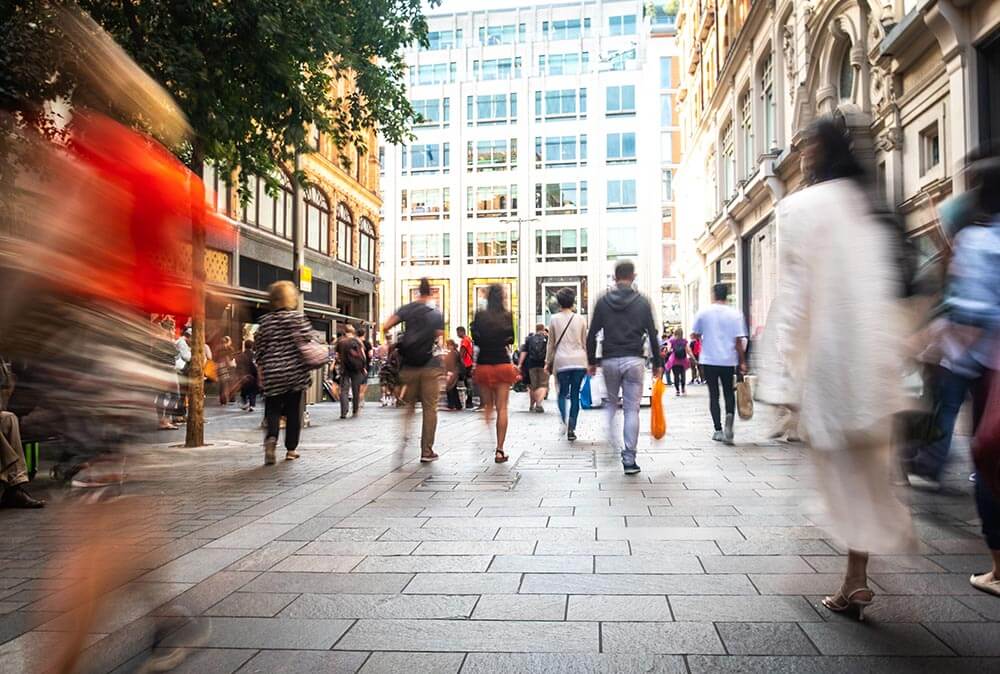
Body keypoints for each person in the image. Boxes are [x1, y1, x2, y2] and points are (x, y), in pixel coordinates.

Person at [757, 117, 917, 619]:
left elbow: (795, 296)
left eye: (805, 148)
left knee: (840, 473)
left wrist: (782, 373)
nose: (800, 156)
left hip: (831, 362)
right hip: (879, 362)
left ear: (816, 153)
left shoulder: (800, 208)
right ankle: (857, 574)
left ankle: (858, 569)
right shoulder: (869, 204)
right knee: (867, 468)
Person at [586, 260, 663, 474]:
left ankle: (612, 443)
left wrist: (592, 361)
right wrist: (658, 363)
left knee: (611, 404)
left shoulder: (603, 302)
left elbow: (591, 334)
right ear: (634, 276)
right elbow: (653, 335)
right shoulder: (643, 302)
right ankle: (629, 458)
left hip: (609, 359)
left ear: (615, 276)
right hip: (634, 360)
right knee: (632, 409)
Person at [382, 278, 445, 462]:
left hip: (408, 366)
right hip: (429, 367)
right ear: (431, 293)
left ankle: (404, 439)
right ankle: (426, 450)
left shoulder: (407, 309)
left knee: (408, 407)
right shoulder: (435, 314)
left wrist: (389, 343)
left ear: (418, 291)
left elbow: (386, 325)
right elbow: (439, 341)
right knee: (430, 408)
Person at [255, 281, 315, 465]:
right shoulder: (297, 318)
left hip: (273, 371)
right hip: (295, 372)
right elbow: (308, 339)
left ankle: (271, 439)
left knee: (272, 408)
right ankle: (291, 449)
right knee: (293, 410)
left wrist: (262, 368)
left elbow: (259, 348)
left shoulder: (265, 322)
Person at [692, 284, 748, 444]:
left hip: (709, 360)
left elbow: (695, 333)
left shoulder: (704, 313)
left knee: (714, 395)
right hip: (728, 360)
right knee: (729, 393)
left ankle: (718, 430)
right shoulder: (735, 314)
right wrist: (742, 361)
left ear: (713, 295)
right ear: (727, 295)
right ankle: (729, 418)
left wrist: (700, 335)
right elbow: (739, 341)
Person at [470, 284, 519, 463]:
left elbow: (475, 337)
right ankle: (499, 449)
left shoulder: (480, 315)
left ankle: (486, 433)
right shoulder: (507, 315)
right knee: (503, 408)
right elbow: (511, 338)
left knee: (488, 406)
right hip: (502, 364)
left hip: (483, 364)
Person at [545, 287, 588, 441]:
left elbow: (551, 344)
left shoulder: (554, 319)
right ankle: (572, 427)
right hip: (579, 361)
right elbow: (585, 343)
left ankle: (564, 419)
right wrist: (589, 362)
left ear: (558, 302)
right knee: (575, 394)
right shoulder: (581, 319)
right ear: (573, 301)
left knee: (562, 393)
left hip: (561, 361)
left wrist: (547, 362)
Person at [336, 324, 368, 419]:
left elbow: (337, 356)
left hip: (345, 368)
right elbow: (363, 355)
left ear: (344, 331)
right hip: (356, 368)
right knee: (356, 390)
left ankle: (343, 412)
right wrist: (363, 367)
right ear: (353, 332)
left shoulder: (340, 342)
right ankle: (355, 410)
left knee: (344, 390)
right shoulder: (357, 341)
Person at [518, 324, 549, 412]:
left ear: (536, 329)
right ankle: (538, 404)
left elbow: (524, 352)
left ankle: (532, 405)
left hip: (531, 364)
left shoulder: (529, 339)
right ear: (543, 329)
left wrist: (520, 364)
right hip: (544, 364)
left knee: (533, 386)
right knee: (543, 385)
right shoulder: (547, 339)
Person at [666, 327, 693, 396]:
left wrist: (669, 350)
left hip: (674, 361)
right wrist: (694, 358)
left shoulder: (671, 341)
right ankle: (683, 389)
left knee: (676, 376)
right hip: (683, 360)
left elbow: (668, 350)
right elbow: (688, 351)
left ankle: (677, 391)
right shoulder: (684, 341)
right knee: (683, 375)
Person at [235, 339, 258, 412]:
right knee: (252, 391)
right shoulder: (254, 355)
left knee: (244, 390)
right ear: (252, 346)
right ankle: (252, 405)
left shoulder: (241, 355)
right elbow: (256, 365)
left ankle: (245, 402)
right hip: (252, 375)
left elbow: (238, 366)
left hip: (244, 375)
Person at [456, 326, 476, 409]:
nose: (457, 334)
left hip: (466, 364)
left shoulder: (465, 340)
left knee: (467, 382)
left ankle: (469, 401)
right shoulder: (469, 339)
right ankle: (469, 401)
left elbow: (462, 352)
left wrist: (459, 361)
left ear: (461, 332)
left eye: (457, 332)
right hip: (469, 363)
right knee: (468, 383)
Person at [215, 335, 236, 405]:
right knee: (231, 383)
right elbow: (232, 357)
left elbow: (215, 358)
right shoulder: (230, 348)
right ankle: (231, 398)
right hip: (228, 366)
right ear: (229, 341)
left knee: (222, 383)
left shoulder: (218, 348)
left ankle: (223, 400)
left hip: (220, 366)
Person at [443, 339, 463, 410]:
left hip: (452, 373)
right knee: (453, 389)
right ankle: (457, 405)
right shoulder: (456, 352)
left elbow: (450, 364)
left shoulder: (452, 353)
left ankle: (451, 404)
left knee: (450, 388)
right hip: (455, 372)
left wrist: (448, 373)